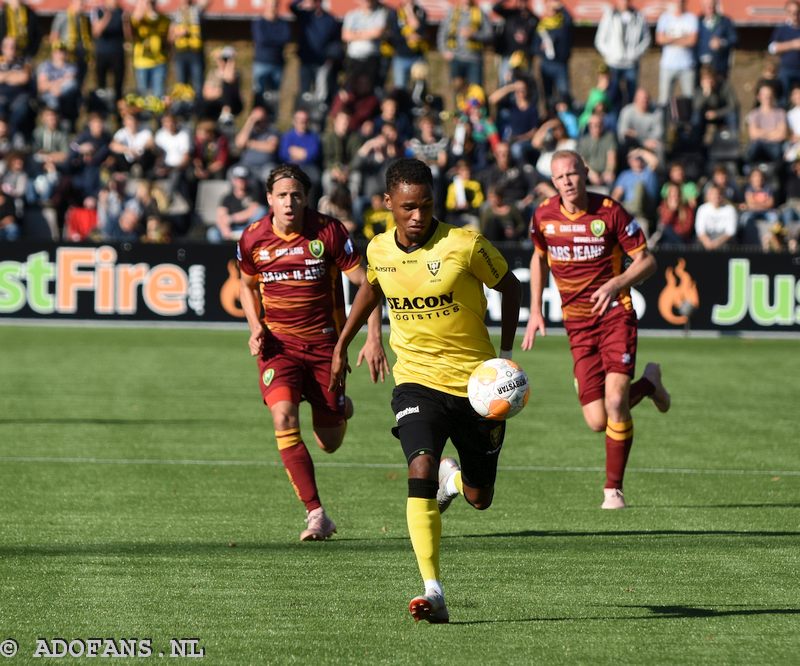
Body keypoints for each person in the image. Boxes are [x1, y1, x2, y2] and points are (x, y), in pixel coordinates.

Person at [329, 157, 522, 624]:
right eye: (408, 207)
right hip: (415, 379)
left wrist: (504, 356)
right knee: (419, 465)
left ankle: (452, 483)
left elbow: (511, 288)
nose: (418, 216)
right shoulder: (378, 250)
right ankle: (432, 590)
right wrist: (343, 344)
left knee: (480, 497)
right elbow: (371, 291)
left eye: (427, 206)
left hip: (477, 389)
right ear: (388, 203)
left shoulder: (465, 243)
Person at [237, 163, 387, 541]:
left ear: (306, 198)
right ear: (269, 199)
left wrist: (373, 338)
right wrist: (255, 326)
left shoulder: (328, 232)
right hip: (278, 347)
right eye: (282, 196)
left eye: (296, 195)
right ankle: (317, 514)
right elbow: (245, 286)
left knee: (329, 442)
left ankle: (340, 406)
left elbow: (367, 284)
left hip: (325, 348)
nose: (289, 202)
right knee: (284, 417)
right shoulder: (253, 237)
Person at [523, 150, 670, 510]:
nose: (567, 182)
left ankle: (613, 490)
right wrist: (535, 311)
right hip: (577, 323)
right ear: (553, 182)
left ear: (585, 173)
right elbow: (538, 258)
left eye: (572, 174)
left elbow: (647, 260)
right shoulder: (543, 215)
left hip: (616, 314)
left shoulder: (610, 211)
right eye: (560, 177)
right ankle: (650, 382)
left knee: (617, 401)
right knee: (597, 420)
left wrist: (616, 283)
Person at [594, 0, 651, 109]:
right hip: (613, 63)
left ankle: (629, 121)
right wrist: (611, 54)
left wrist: (635, 54)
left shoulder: (639, 16)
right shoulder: (609, 16)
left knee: (631, 94)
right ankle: (613, 121)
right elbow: (600, 40)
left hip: (631, 63)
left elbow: (646, 39)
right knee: (612, 95)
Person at [654, 0, 698, 105]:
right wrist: (683, 38)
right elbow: (660, 39)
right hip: (668, 65)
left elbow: (692, 41)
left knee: (688, 99)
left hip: (686, 65)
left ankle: (687, 121)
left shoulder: (691, 18)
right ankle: (664, 120)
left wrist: (670, 39)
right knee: (664, 100)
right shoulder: (665, 18)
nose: (679, 4)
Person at [768, 0, 800, 104]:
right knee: (783, 100)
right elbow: (772, 48)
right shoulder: (782, 29)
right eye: (791, 12)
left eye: (797, 12)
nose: (794, 15)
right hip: (786, 69)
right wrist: (792, 44)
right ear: (787, 13)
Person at [696, 0, 737, 80]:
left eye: (711, 4)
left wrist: (721, 43)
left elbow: (734, 39)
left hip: (719, 65)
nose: (709, 6)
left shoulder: (725, 21)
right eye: (706, 4)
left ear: (716, 4)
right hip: (700, 66)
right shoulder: (697, 21)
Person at [694, 183, 737, 250]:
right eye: (714, 194)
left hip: (724, 242)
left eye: (719, 194)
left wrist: (716, 243)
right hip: (706, 241)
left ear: (723, 196)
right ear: (708, 196)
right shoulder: (702, 209)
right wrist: (707, 243)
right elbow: (700, 231)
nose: (717, 196)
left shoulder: (730, 209)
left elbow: (730, 232)